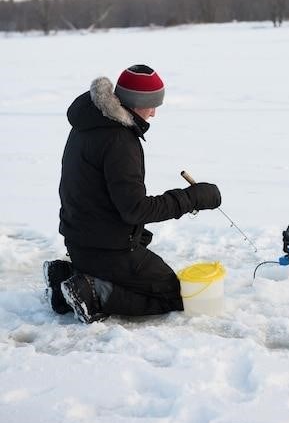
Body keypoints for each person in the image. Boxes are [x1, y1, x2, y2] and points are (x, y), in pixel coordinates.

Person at [43, 64, 221, 323]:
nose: (154, 113)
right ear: (137, 103)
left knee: (142, 241)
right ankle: (93, 293)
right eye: (152, 104)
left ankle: (68, 275)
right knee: (176, 294)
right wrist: (193, 198)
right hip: (106, 249)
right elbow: (135, 208)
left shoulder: (90, 121)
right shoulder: (119, 140)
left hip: (80, 240)